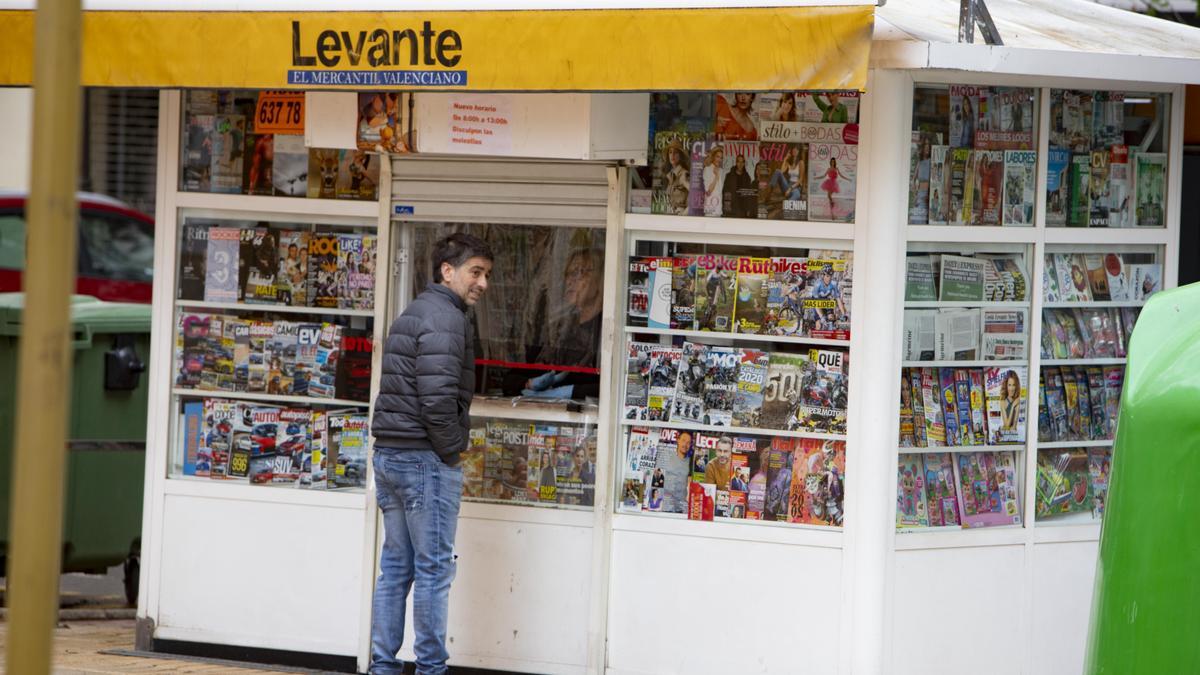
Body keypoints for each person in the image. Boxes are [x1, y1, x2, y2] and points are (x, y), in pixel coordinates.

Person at [369, 233, 494, 675]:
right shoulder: (446, 318)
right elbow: (437, 399)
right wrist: (451, 451)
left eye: (486, 274)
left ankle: (382, 667)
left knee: (396, 569)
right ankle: (430, 670)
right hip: (424, 460)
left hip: (390, 455)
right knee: (434, 572)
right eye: (475, 272)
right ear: (447, 270)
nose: (482, 283)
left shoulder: (416, 311)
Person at [523, 248, 604, 400]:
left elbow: (613, 386)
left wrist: (572, 391)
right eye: (568, 273)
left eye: (579, 273)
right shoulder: (560, 326)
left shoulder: (606, 328)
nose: (570, 281)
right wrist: (528, 383)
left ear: (599, 279)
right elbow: (518, 375)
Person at [702, 144, 725, 216]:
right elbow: (708, 192)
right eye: (717, 156)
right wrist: (716, 177)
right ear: (713, 157)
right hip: (710, 207)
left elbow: (721, 190)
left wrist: (718, 174)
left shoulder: (722, 171)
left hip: (719, 208)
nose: (719, 159)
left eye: (721, 157)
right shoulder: (707, 169)